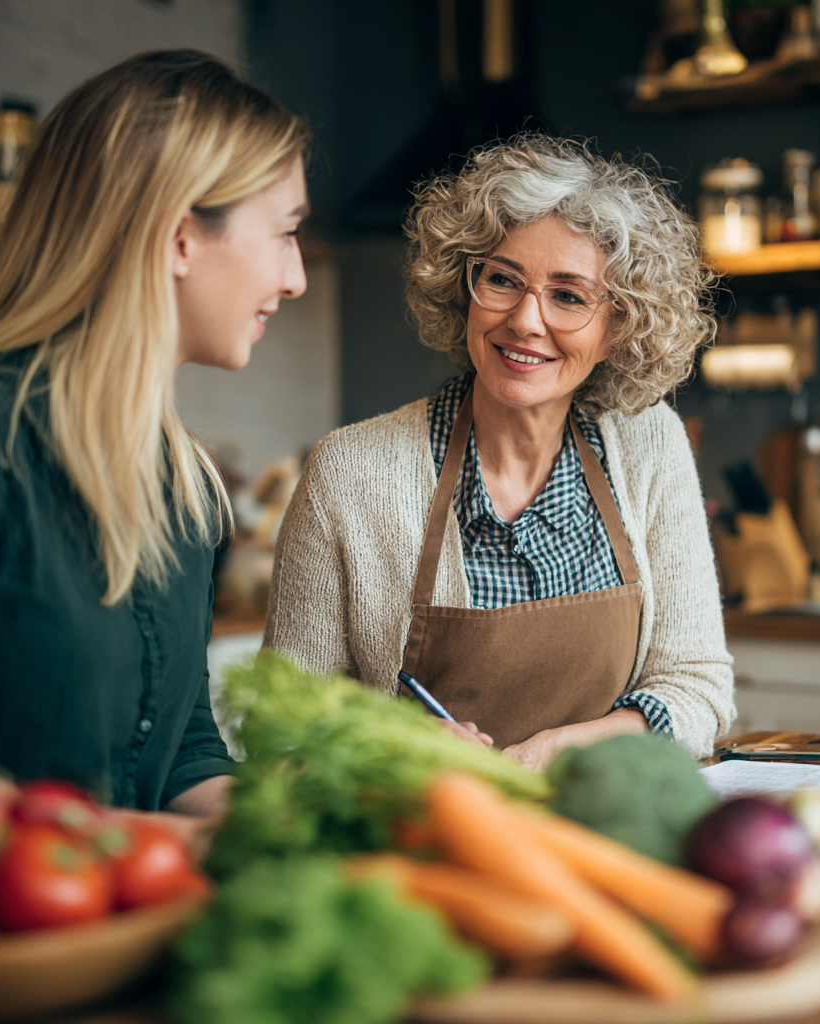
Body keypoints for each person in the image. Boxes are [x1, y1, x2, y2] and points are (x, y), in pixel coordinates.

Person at [265, 135, 734, 770]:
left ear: (617, 324)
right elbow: (284, 723)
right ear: (464, 290)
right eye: (503, 280)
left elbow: (698, 687)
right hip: (429, 842)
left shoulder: (649, 446)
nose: (525, 321)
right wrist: (394, 750)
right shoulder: (350, 473)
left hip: (613, 836)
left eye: (568, 296)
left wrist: (564, 749)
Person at [0, 51, 309, 840]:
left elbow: (181, 748)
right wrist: (126, 844)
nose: (294, 277)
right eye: (284, 233)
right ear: (182, 237)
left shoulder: (185, 487)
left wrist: (282, 825)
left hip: (123, 930)